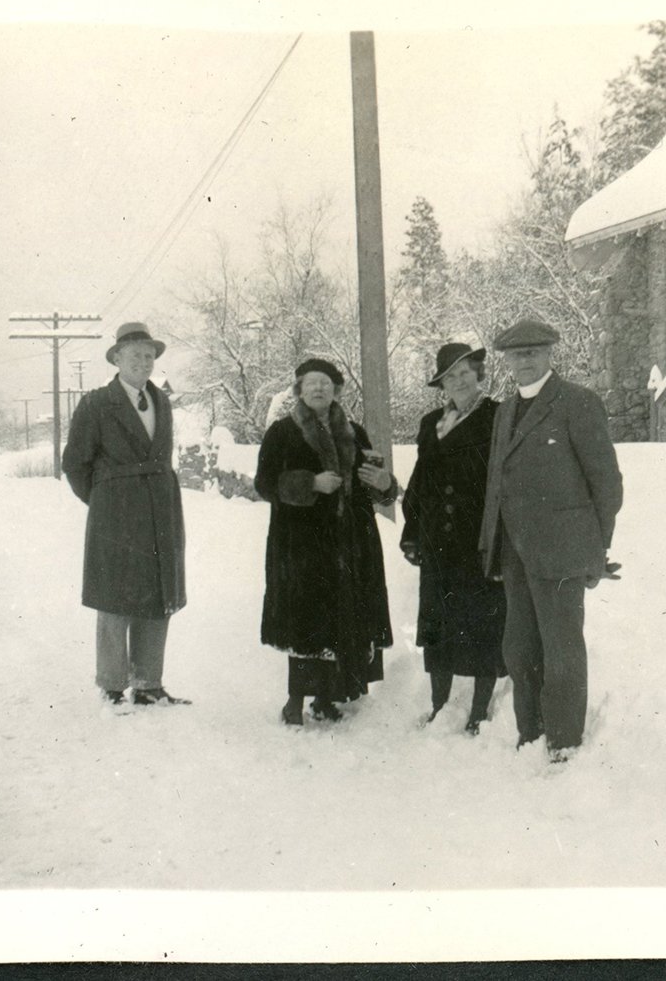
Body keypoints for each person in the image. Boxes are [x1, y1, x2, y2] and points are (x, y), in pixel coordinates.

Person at [478, 319, 623, 761]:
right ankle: (531, 733)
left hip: (562, 551)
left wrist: (596, 549)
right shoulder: (505, 410)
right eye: (516, 354)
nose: (524, 361)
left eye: (533, 352)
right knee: (519, 647)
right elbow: (497, 484)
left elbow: (607, 483)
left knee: (561, 650)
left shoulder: (577, 402)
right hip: (516, 552)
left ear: (549, 354)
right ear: (506, 359)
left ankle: (562, 742)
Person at [255, 357, 399, 726]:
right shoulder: (282, 432)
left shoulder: (354, 432)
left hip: (351, 542)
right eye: (311, 383)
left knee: (342, 618)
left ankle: (327, 697)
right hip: (301, 543)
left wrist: (385, 485)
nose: (319, 389)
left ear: (336, 390)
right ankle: (294, 700)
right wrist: (310, 483)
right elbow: (265, 483)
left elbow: (377, 488)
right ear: (299, 390)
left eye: (326, 383)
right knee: (304, 621)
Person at [62, 321, 189, 711]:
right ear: (116, 358)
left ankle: (149, 684)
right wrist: (106, 500)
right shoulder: (97, 403)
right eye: (135, 354)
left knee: (159, 594)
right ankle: (113, 687)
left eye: (149, 354)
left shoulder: (162, 402)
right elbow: (75, 464)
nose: (144, 361)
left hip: (161, 511)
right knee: (115, 598)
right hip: (115, 515)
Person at [400, 342, 508, 735]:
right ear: (441, 385)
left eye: (465, 372)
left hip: (478, 539)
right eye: (450, 377)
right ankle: (439, 705)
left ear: (479, 374)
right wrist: (412, 532)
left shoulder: (499, 416)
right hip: (437, 542)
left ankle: (479, 711)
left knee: (483, 625)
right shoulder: (432, 424)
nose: (459, 381)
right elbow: (420, 480)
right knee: (438, 626)